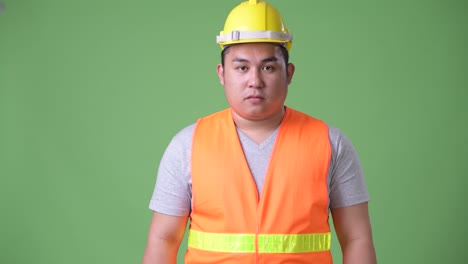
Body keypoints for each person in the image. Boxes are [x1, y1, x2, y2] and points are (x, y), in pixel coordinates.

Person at [142, 0, 376, 263]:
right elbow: (162, 240)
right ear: (222, 74)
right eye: (242, 67)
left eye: (268, 67)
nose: (255, 81)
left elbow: (358, 239)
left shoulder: (330, 143)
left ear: (288, 73)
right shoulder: (188, 145)